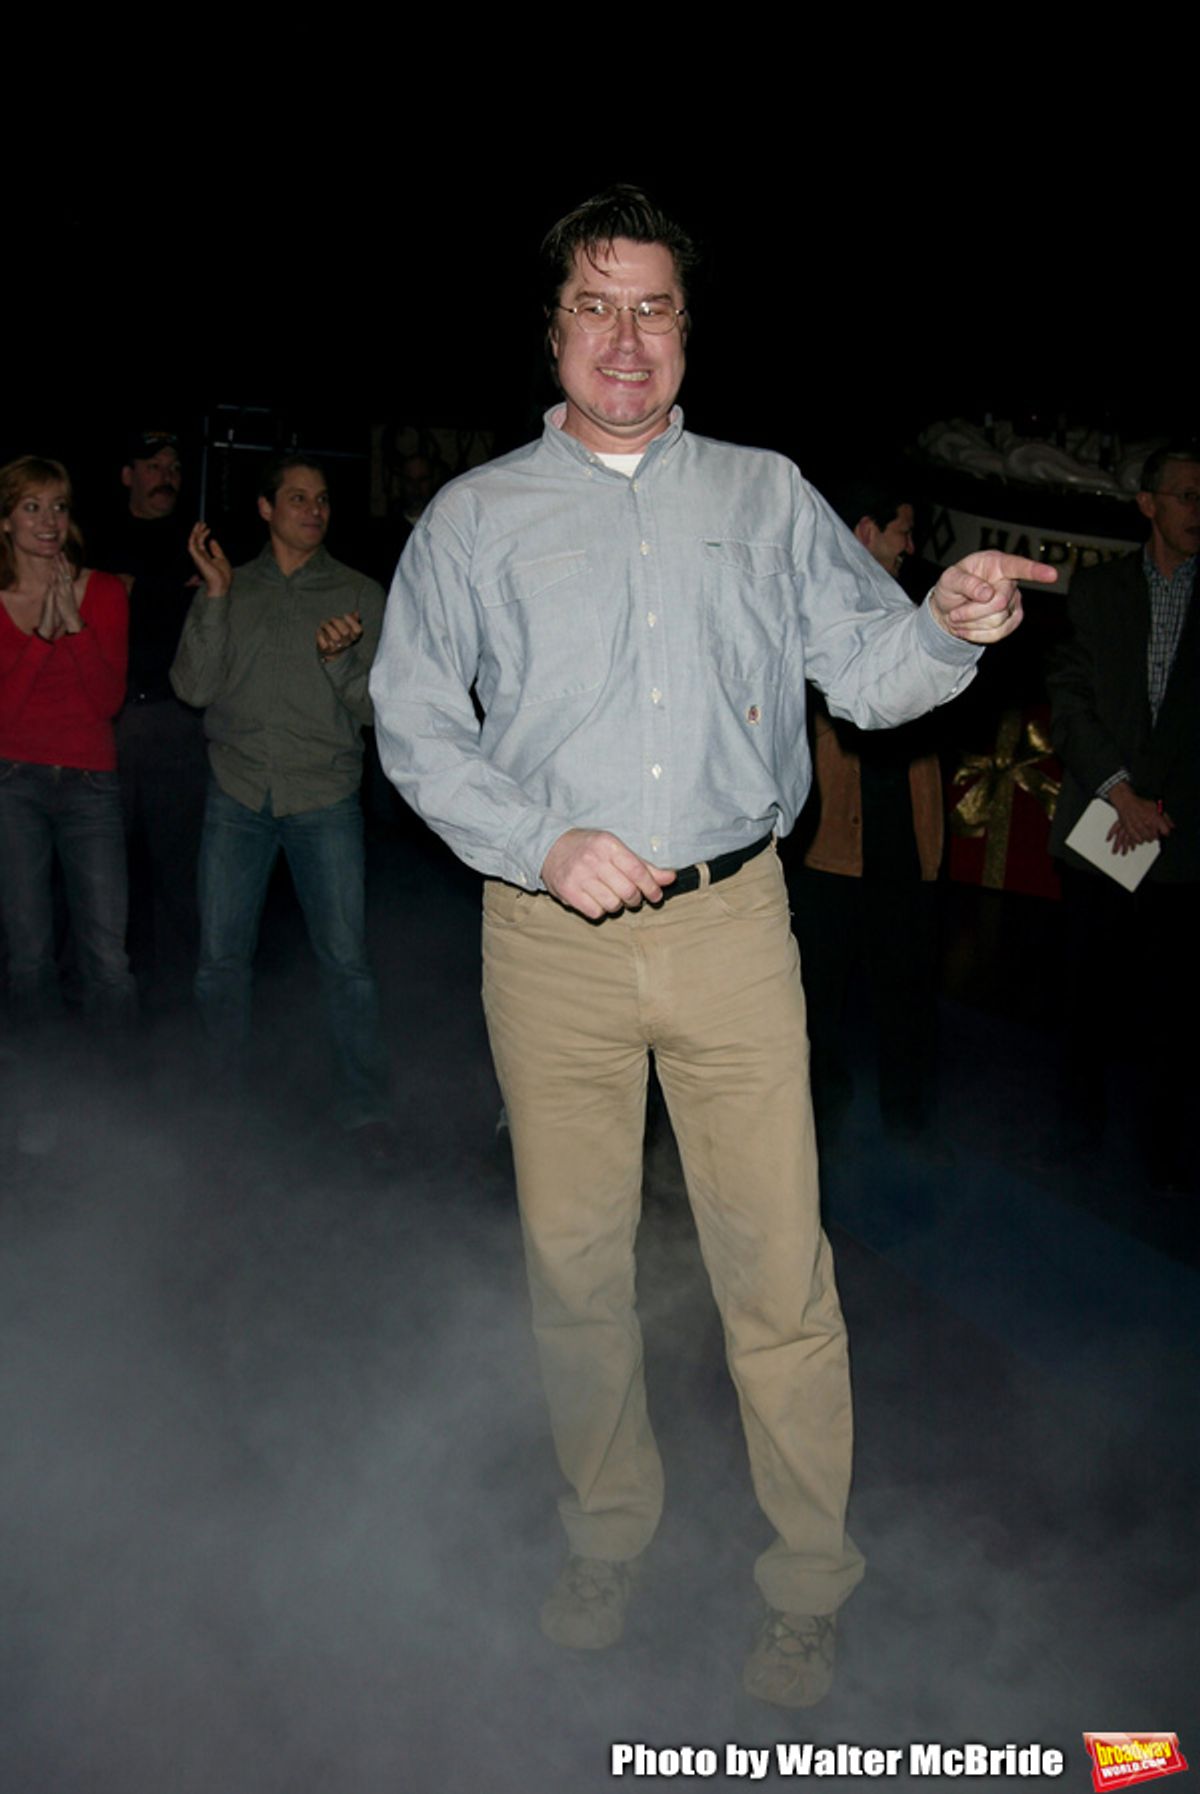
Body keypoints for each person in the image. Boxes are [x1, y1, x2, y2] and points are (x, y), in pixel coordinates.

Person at [370, 186, 1051, 1707]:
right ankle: (607, 1528)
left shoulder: (764, 491)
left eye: (655, 307)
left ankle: (807, 1578)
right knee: (576, 1264)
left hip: (741, 922)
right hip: (547, 940)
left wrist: (947, 620)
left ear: (688, 331)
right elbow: (413, 721)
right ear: (555, 331)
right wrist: (538, 838)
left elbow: (872, 674)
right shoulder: (477, 516)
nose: (627, 337)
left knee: (777, 1269)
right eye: (598, 306)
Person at [170, 456, 393, 1157]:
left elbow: (374, 710)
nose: (314, 509)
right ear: (266, 508)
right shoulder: (230, 586)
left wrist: (340, 663)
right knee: (219, 961)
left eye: (322, 499)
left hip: (322, 794)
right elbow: (192, 687)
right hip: (237, 791)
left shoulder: (360, 593)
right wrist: (211, 597)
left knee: (346, 962)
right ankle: (221, 1098)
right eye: (297, 498)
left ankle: (363, 1104)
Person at [1047, 444, 1199, 1190]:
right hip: (1108, 826)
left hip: (1182, 842)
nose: (1198, 510)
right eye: (1185, 496)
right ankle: (1076, 1143)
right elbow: (1068, 703)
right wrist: (1123, 794)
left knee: (1176, 1014)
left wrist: (1158, 803)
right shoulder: (1098, 590)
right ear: (1148, 504)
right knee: (1088, 998)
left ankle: (1162, 1160)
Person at [793, 477, 944, 1144]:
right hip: (829, 836)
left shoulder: (921, 612)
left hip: (904, 835)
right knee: (815, 988)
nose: (912, 546)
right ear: (863, 532)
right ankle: (819, 1107)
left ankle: (906, 1117)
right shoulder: (809, 605)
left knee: (907, 985)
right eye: (902, 531)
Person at [0, 456, 136, 1032]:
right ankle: (43, 1095)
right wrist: (41, 639)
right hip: (12, 784)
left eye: (58, 506)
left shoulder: (103, 591)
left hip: (89, 785)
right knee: (28, 953)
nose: (48, 520)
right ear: (6, 521)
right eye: (31, 507)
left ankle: (126, 1094)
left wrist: (75, 629)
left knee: (107, 955)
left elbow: (107, 702)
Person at [91, 429, 207, 1009]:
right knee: (102, 872)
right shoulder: (93, 541)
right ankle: (102, 1005)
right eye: (154, 464)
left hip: (174, 723)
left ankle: (181, 1014)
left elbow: (209, 609)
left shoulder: (197, 542)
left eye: (175, 465)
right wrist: (163, 592)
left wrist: (142, 591)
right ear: (128, 475)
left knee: (178, 877)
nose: (167, 474)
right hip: (104, 728)